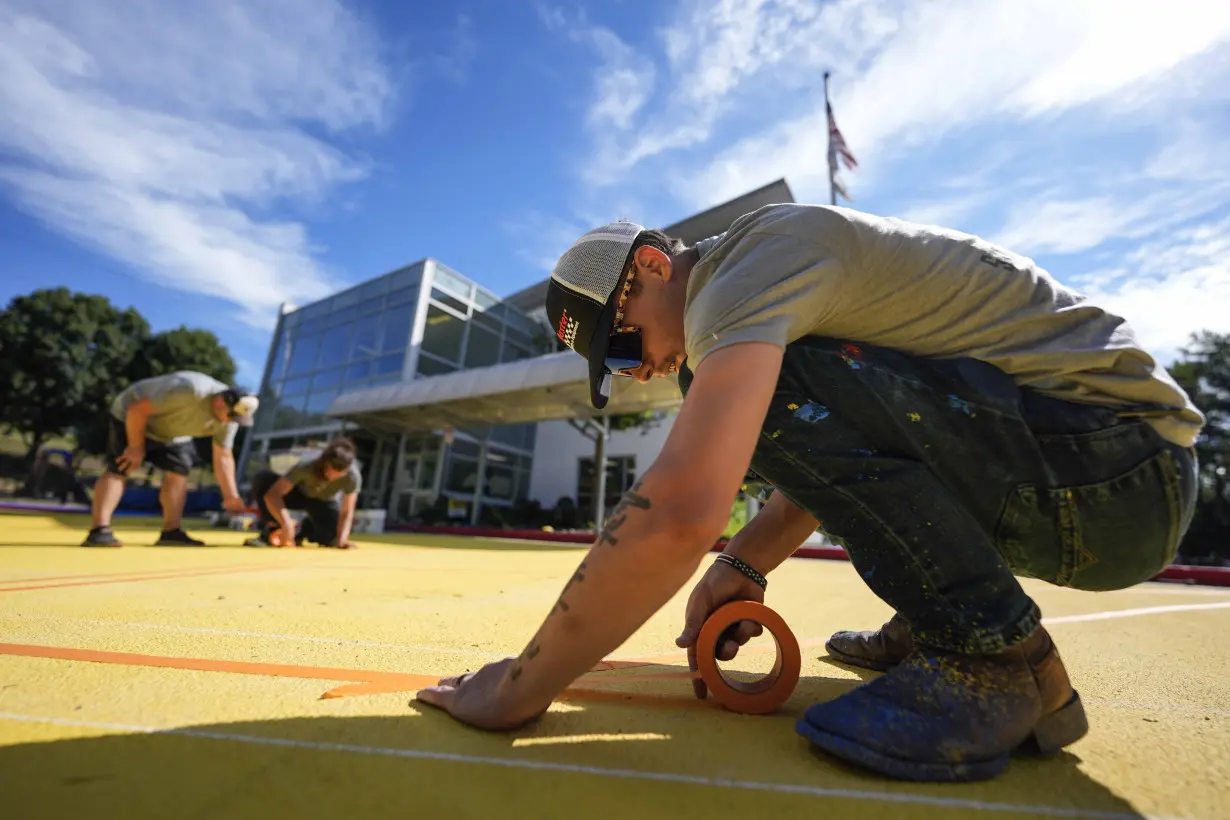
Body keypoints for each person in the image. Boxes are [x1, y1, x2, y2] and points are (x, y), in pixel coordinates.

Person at [413, 204, 1204, 783]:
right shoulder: (769, 279)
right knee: (771, 388)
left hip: (1115, 468)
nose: (637, 368)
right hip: (1109, 474)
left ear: (653, 266)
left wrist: (521, 687)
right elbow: (855, 453)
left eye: (622, 343)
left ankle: (991, 656)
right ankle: (949, 623)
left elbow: (684, 509)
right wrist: (746, 564)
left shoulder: (745, 271)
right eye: (616, 368)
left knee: (755, 390)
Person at [82, 370, 258, 547]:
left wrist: (230, 495)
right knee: (121, 466)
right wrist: (136, 446)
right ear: (221, 401)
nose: (231, 422)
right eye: (231, 416)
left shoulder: (230, 419)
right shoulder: (190, 390)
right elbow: (138, 409)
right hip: (132, 415)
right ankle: (99, 530)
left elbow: (223, 456)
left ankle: (171, 531)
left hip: (172, 433)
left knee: (179, 471)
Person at [244, 437, 362, 549]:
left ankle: (302, 531)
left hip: (324, 501)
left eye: (339, 474)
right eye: (330, 470)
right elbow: (273, 494)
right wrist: (286, 523)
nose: (332, 476)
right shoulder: (307, 466)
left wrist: (341, 540)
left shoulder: (352, 476)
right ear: (324, 463)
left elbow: (347, 511)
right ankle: (273, 528)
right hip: (298, 494)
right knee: (263, 480)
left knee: (331, 536)